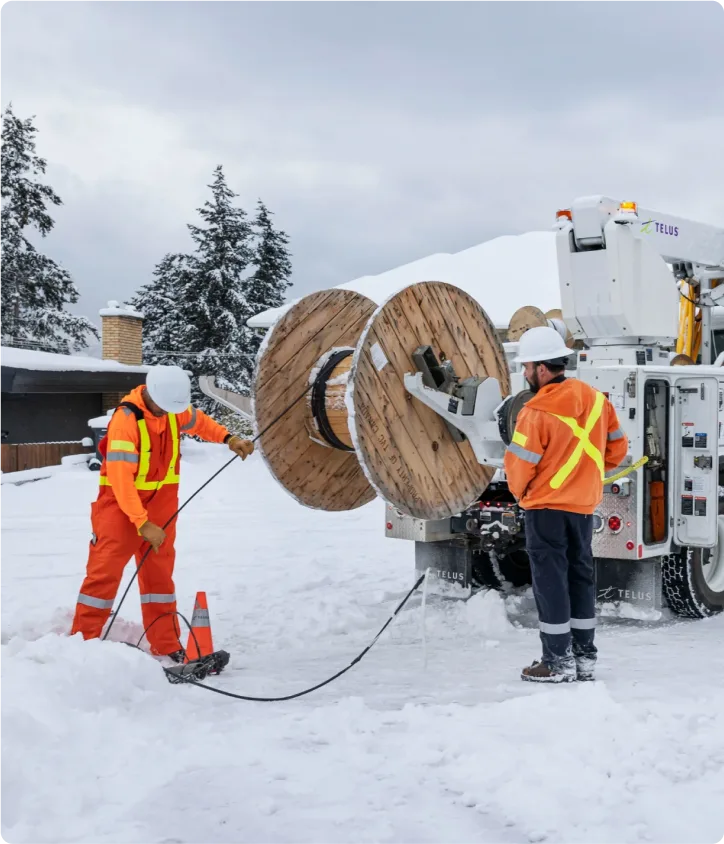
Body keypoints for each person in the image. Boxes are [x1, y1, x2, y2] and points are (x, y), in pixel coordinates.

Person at [70, 365, 254, 661]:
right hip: (120, 507)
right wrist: (142, 523)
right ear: (150, 394)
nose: (168, 414)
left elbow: (200, 422)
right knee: (103, 576)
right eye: (163, 408)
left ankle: (167, 644)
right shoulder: (125, 421)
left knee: (160, 580)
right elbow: (120, 480)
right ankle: (81, 645)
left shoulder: (171, 409)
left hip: (162, 507)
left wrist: (228, 438)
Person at [503, 326, 628, 683]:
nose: (525, 373)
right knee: (580, 577)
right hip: (582, 508)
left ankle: (556, 661)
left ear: (542, 369)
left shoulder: (535, 410)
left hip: (545, 509)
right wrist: (584, 477)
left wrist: (523, 494)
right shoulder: (595, 399)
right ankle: (584, 657)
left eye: (526, 366)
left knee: (551, 581)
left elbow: (518, 467)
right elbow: (618, 449)